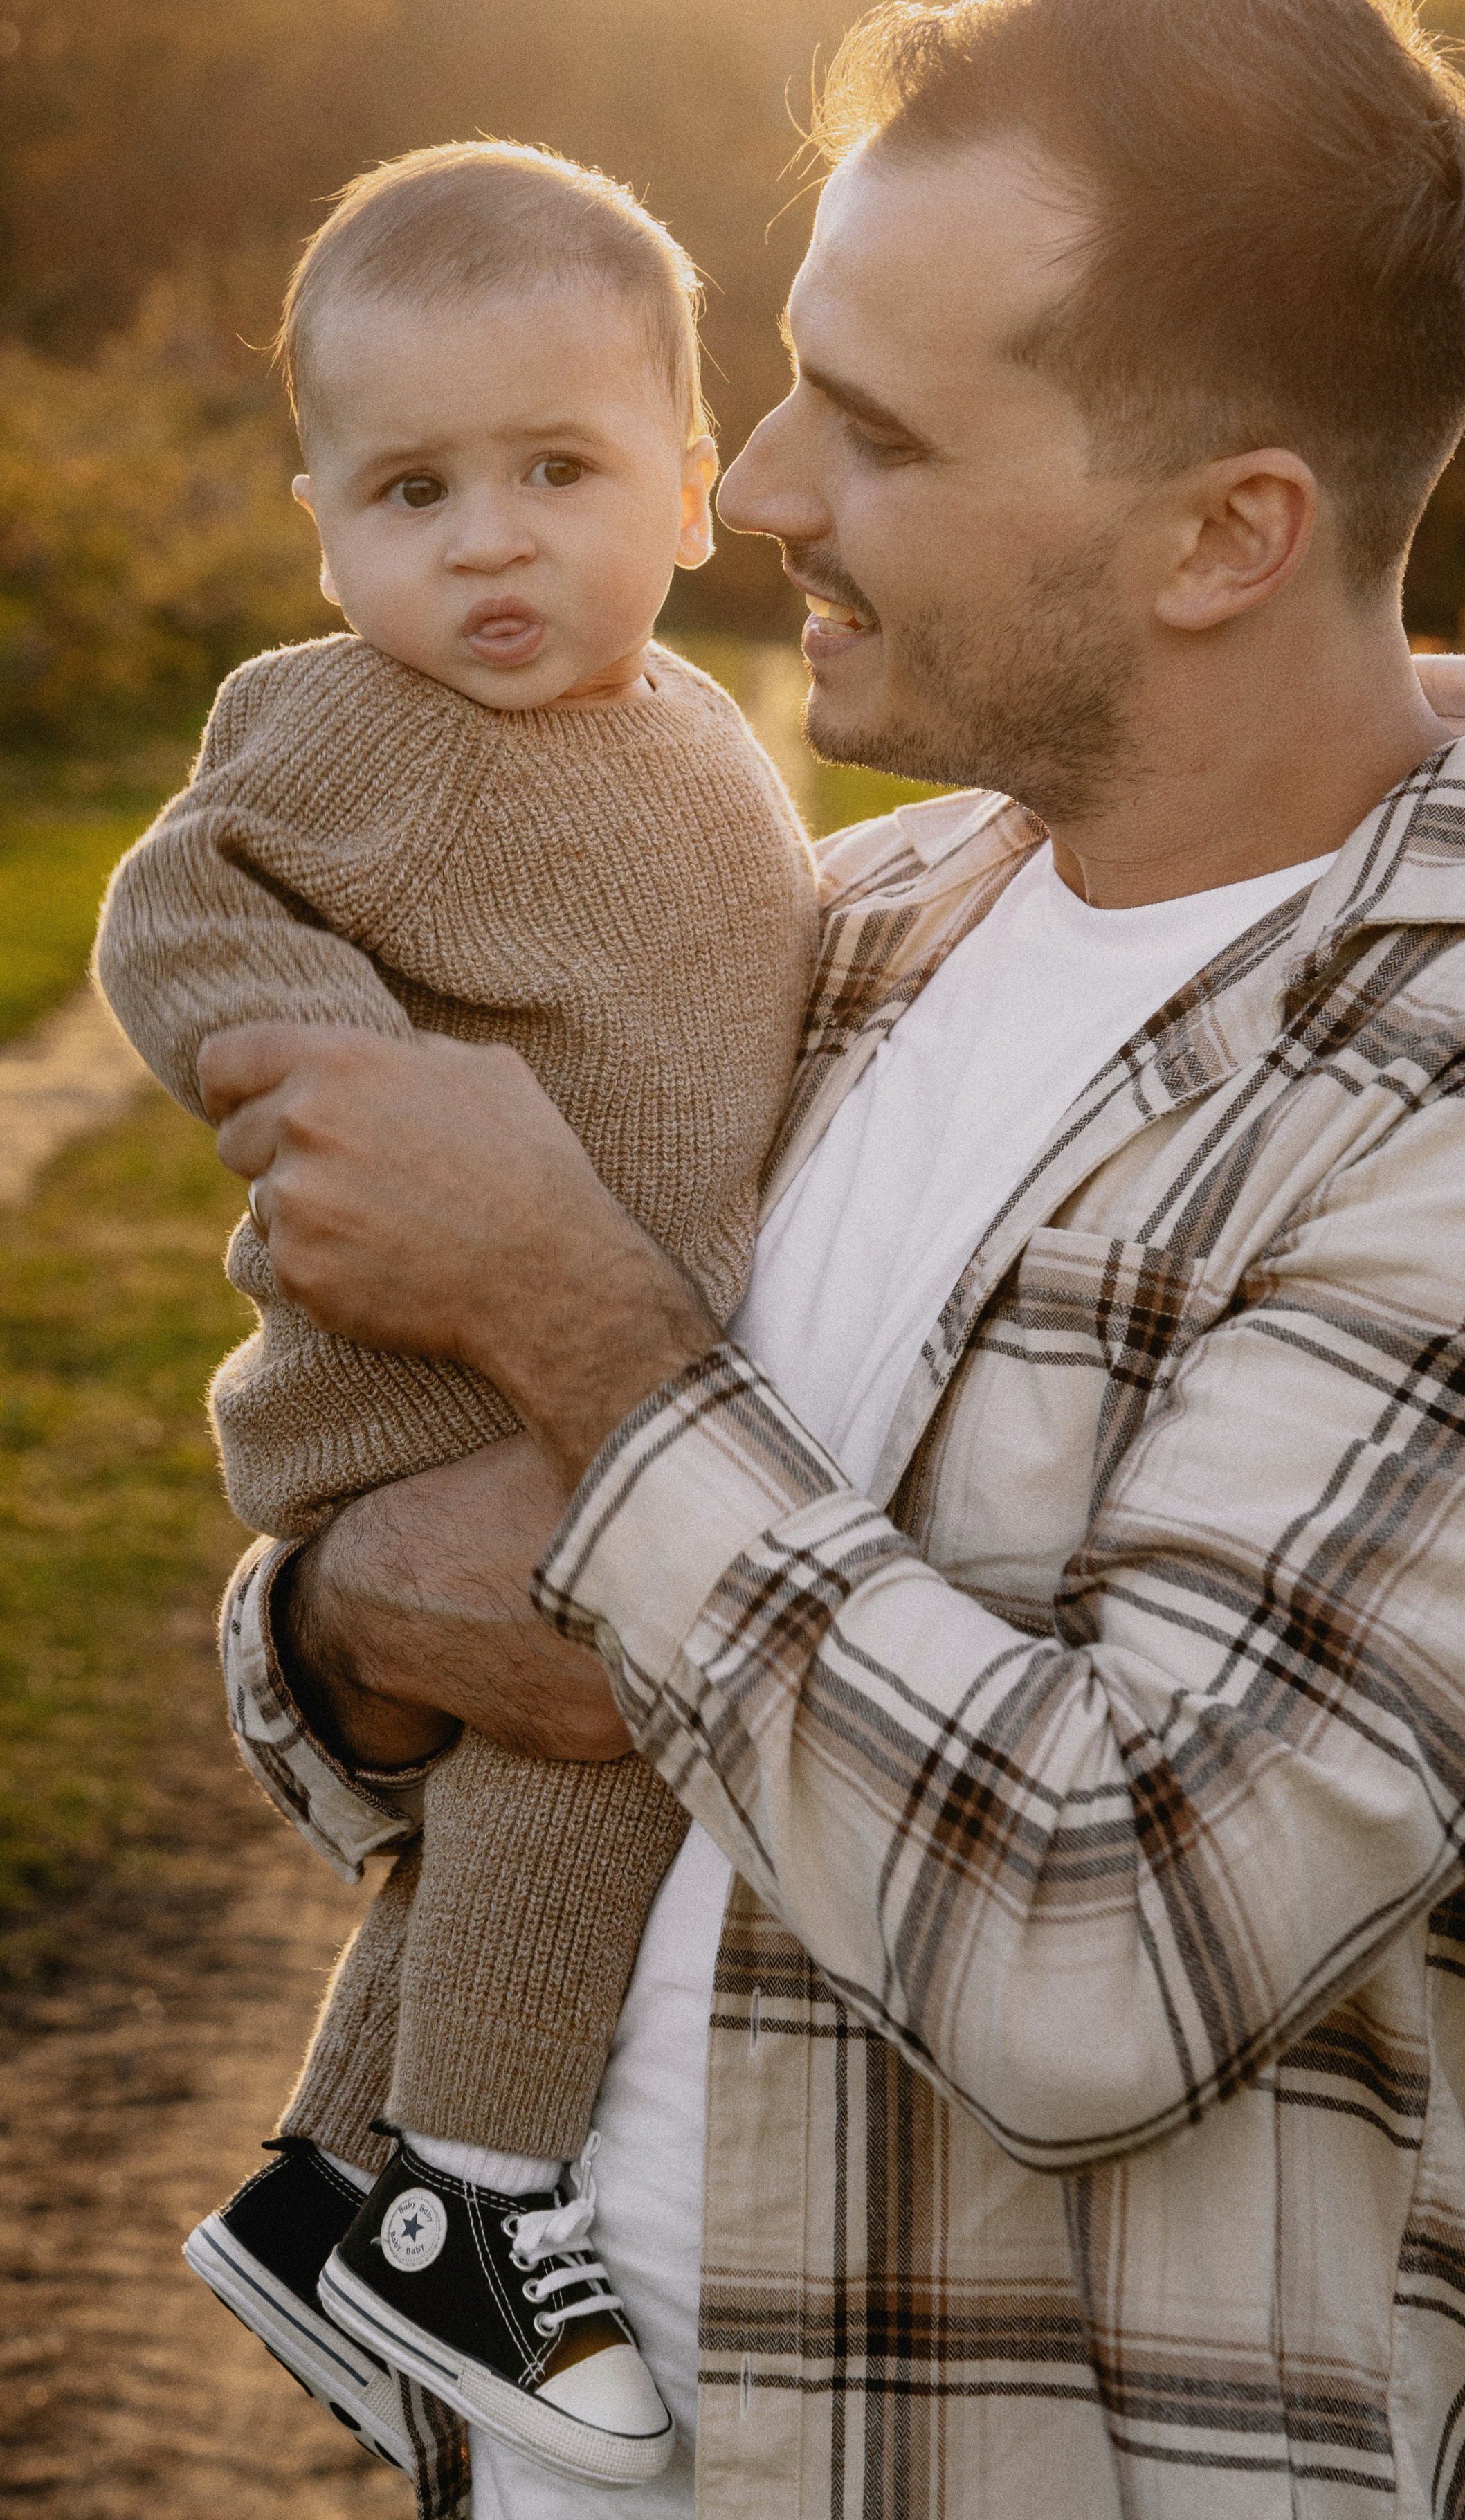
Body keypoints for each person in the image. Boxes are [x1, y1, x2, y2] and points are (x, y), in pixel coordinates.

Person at [196, 0, 1465, 2520]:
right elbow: (409, 1669)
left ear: (1229, 533)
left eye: (884, 430)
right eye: (788, 382)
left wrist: (566, 1314)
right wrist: (348, 1624)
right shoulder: (854, 923)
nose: (759, 484)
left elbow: (1103, 1957)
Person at [93, 143, 816, 2490]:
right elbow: (171, 905)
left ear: (691, 489)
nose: (488, 543)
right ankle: (475, 2200)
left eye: (555, 472)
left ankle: (332, 2189)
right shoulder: (358, 729)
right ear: (325, 530)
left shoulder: (698, 738)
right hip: (418, 1365)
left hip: (568, 1346)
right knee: (591, 1727)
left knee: (524, 1769)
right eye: (414, 491)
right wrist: (347, 1092)